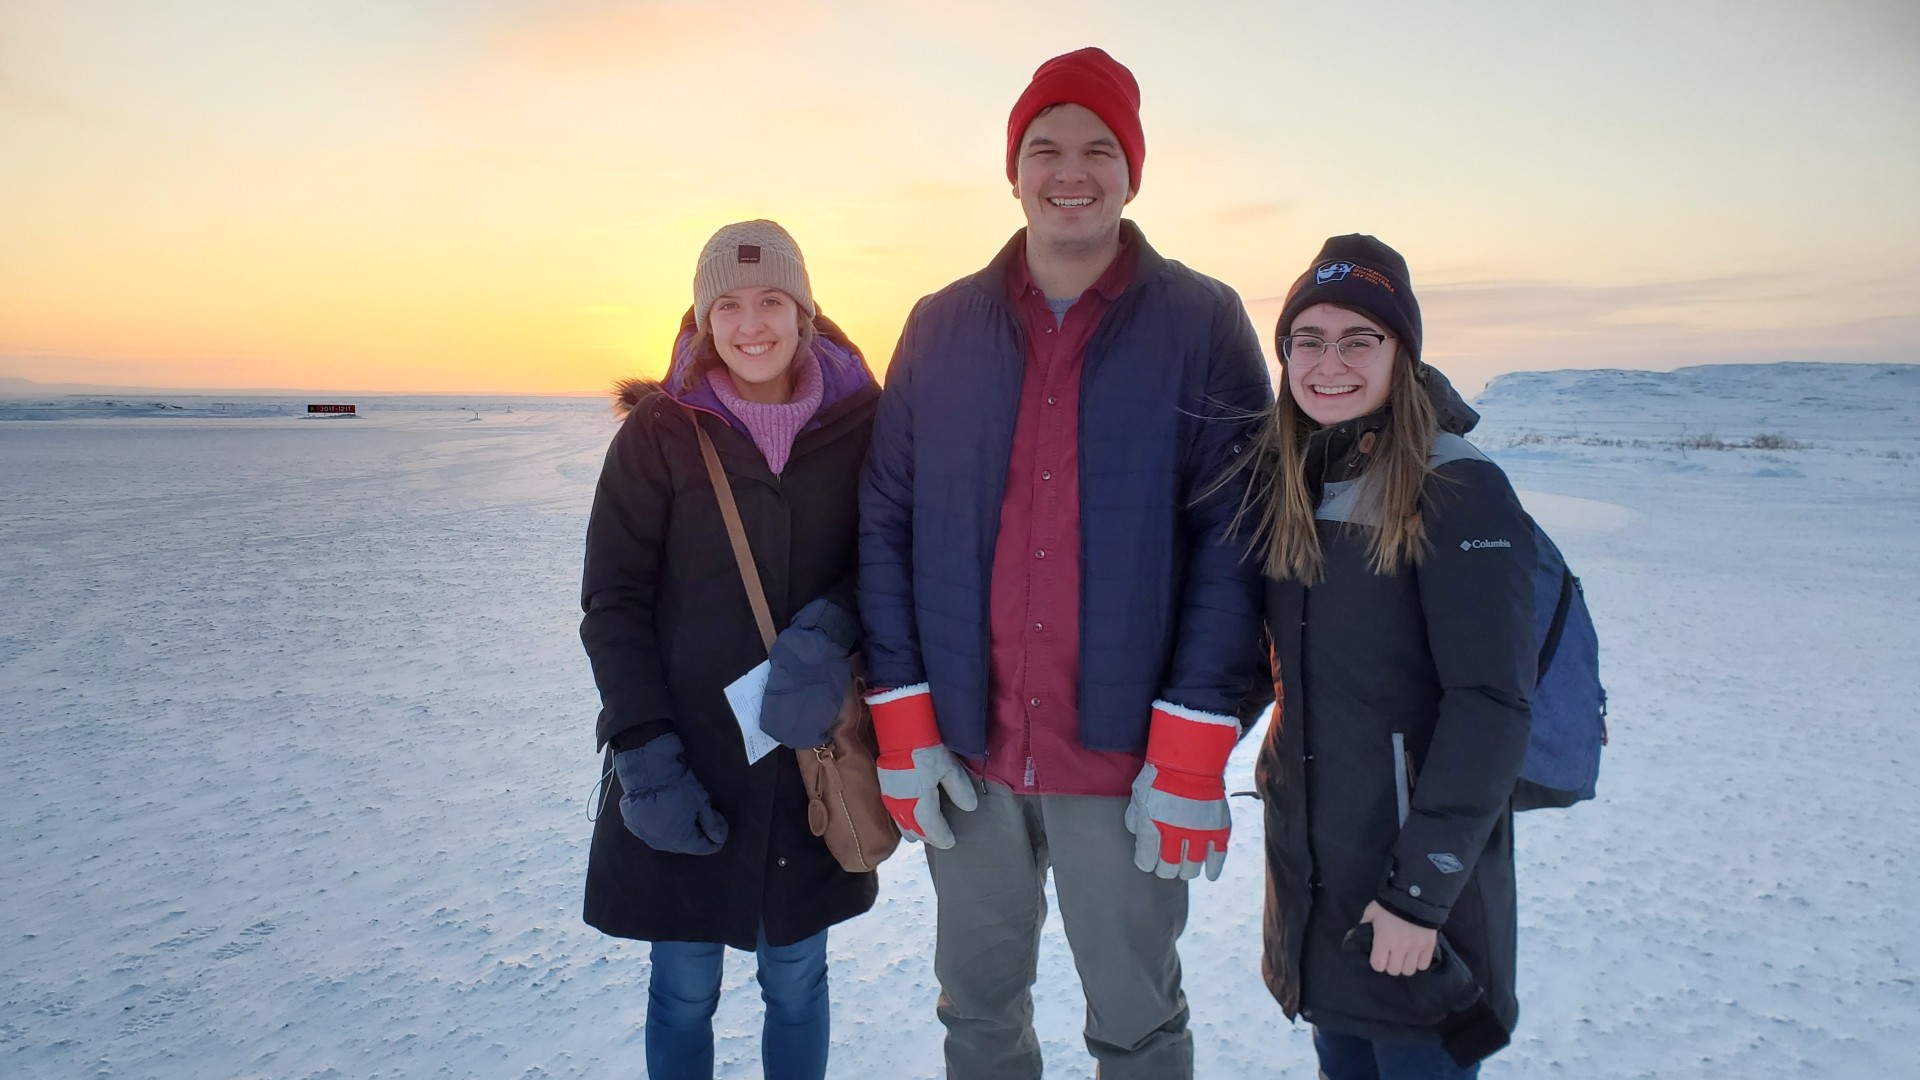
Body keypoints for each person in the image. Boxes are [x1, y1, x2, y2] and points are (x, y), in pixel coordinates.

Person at [857, 47, 1272, 1080]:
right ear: (1013, 171)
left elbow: (1238, 538)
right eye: (1045, 148)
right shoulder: (940, 324)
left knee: (1135, 1018)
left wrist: (1189, 745)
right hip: (968, 752)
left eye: (1098, 148)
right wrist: (904, 722)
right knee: (980, 1011)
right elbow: (886, 519)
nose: (1069, 169)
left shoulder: (1202, 320)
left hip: (1122, 757)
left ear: (1133, 172)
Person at [579, 220, 881, 1080]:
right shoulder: (661, 434)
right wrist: (643, 752)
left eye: (773, 301)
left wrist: (830, 633)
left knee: (797, 977)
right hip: (687, 754)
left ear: (806, 311)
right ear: (703, 319)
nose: (753, 324)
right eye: (730, 305)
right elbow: (613, 602)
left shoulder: (864, 422)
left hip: (808, 753)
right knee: (682, 985)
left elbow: (889, 555)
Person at [1246, 234, 1535, 1078]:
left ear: (1400, 353)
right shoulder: (1296, 481)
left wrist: (1420, 894)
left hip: (1416, 901)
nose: (1329, 363)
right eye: (1309, 339)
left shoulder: (1457, 487)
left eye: (1359, 340)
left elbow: (1491, 705)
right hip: (1321, 894)